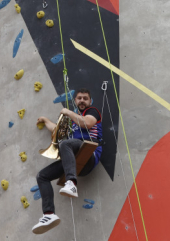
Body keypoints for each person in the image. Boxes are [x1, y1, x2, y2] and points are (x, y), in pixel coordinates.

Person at [32, 88, 103, 234]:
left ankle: (71, 183)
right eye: (79, 98)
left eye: (85, 98)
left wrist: (68, 112)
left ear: (89, 101)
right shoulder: (73, 124)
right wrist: (46, 120)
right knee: (42, 176)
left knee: (66, 143)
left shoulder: (92, 111)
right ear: (75, 101)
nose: (82, 100)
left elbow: (88, 123)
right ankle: (49, 215)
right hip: (75, 157)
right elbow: (56, 131)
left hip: (90, 152)